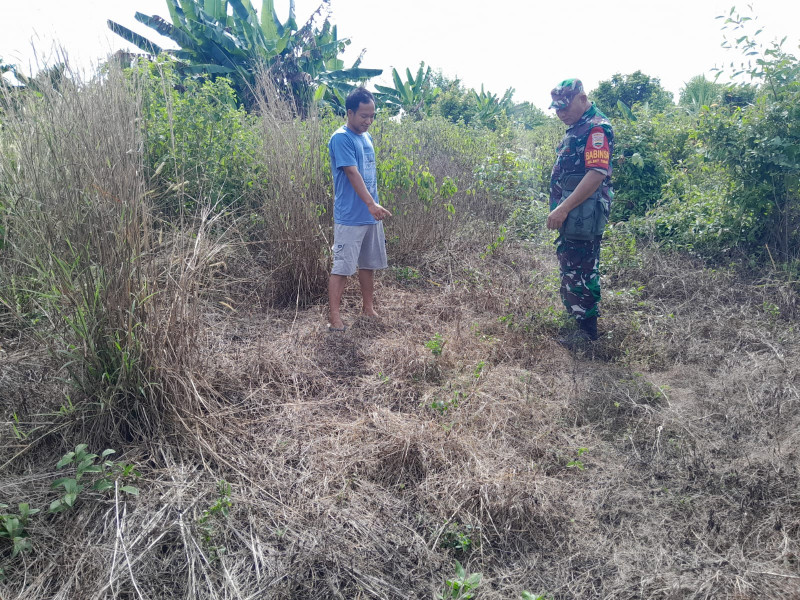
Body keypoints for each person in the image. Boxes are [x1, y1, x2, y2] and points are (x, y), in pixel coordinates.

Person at [546, 78, 614, 345]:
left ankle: (586, 334)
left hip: (582, 213)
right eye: (557, 109)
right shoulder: (578, 126)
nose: (561, 114)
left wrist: (562, 209)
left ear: (583, 99)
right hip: (575, 213)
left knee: (582, 269)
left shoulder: (596, 129)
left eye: (565, 107)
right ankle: (577, 319)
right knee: (572, 264)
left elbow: (596, 174)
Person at [327, 87, 392, 332]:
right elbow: (352, 173)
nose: (368, 121)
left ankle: (368, 308)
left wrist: (374, 205)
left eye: (372, 115)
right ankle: (335, 318)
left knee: (368, 264)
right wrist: (370, 203)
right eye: (363, 116)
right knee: (342, 267)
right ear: (350, 113)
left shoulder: (367, 137)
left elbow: (369, 173)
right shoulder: (341, 138)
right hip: (351, 216)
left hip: (371, 213)